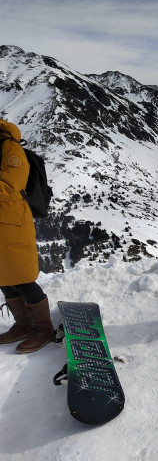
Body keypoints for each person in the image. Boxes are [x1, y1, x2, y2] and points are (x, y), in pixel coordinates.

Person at [0, 120, 54, 353]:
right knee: (3, 276)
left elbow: (11, 186)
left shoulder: (11, 148)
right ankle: (23, 324)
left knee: (21, 277)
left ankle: (43, 328)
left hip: (11, 224)